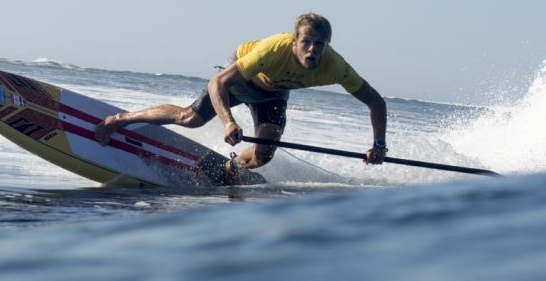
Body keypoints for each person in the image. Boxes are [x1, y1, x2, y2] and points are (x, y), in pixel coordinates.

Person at [95, 13, 387, 182]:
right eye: (306, 42)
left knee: (264, 153)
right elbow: (218, 83)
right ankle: (120, 120)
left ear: (327, 46)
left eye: (319, 44)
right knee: (191, 118)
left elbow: (376, 101)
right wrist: (228, 123)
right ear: (294, 41)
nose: (312, 49)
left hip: (273, 91)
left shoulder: (335, 67)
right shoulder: (274, 50)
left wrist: (378, 145)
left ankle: (229, 169)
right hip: (243, 76)